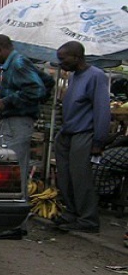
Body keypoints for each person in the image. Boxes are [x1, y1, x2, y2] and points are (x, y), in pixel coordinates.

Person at [0, 34, 51, 239]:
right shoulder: (19, 63)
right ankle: (9, 221)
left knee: (14, 171)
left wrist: (8, 101)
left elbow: (36, 89)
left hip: (18, 121)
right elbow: (47, 82)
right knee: (10, 169)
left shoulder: (18, 64)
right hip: (17, 119)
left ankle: (14, 225)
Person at [54, 41, 111, 233]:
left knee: (80, 178)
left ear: (76, 57)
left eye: (63, 59)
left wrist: (98, 141)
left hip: (84, 134)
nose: (60, 63)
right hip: (68, 132)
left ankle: (88, 219)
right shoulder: (74, 76)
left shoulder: (96, 76)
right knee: (65, 177)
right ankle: (72, 212)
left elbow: (102, 110)